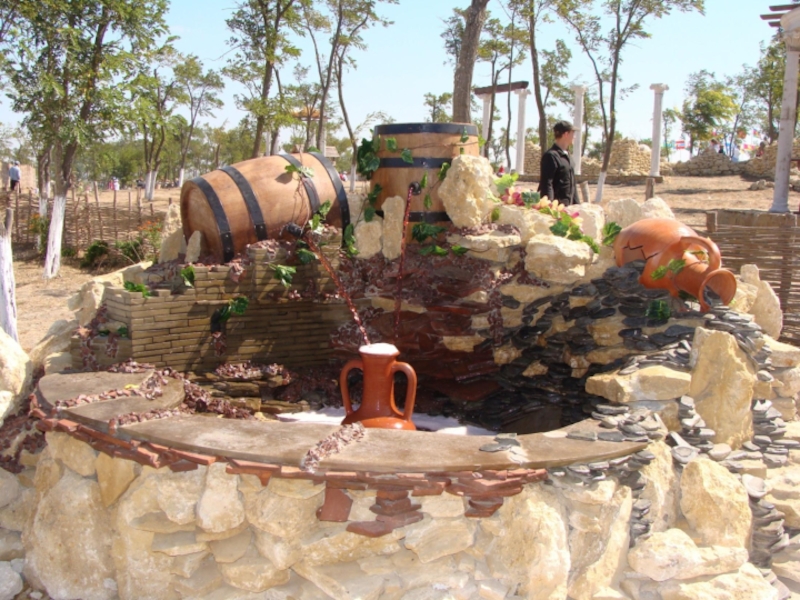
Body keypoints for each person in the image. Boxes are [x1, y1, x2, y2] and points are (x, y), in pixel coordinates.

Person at [538, 120, 578, 205]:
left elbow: (572, 185)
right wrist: (549, 206)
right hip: (557, 208)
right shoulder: (551, 156)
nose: (574, 137)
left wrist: (577, 205)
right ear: (566, 134)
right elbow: (547, 184)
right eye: (573, 133)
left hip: (569, 208)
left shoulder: (568, 156)